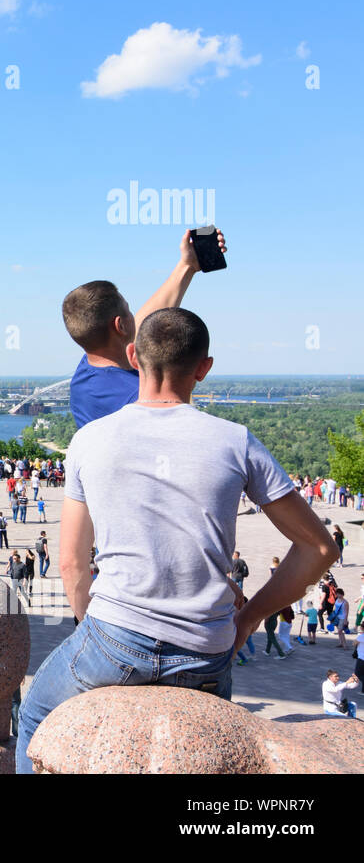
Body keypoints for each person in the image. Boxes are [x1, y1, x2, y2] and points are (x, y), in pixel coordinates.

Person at [17, 308, 339, 774]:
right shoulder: (237, 441)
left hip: (112, 640)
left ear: (133, 355)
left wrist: (101, 631)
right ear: (204, 368)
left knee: (35, 716)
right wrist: (246, 620)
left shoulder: (89, 440)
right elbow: (320, 549)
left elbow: (70, 563)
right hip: (206, 649)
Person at [63, 229, 226, 429]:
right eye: (128, 310)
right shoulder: (139, 395)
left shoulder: (86, 373)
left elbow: (140, 325)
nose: (136, 316)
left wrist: (187, 266)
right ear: (120, 325)